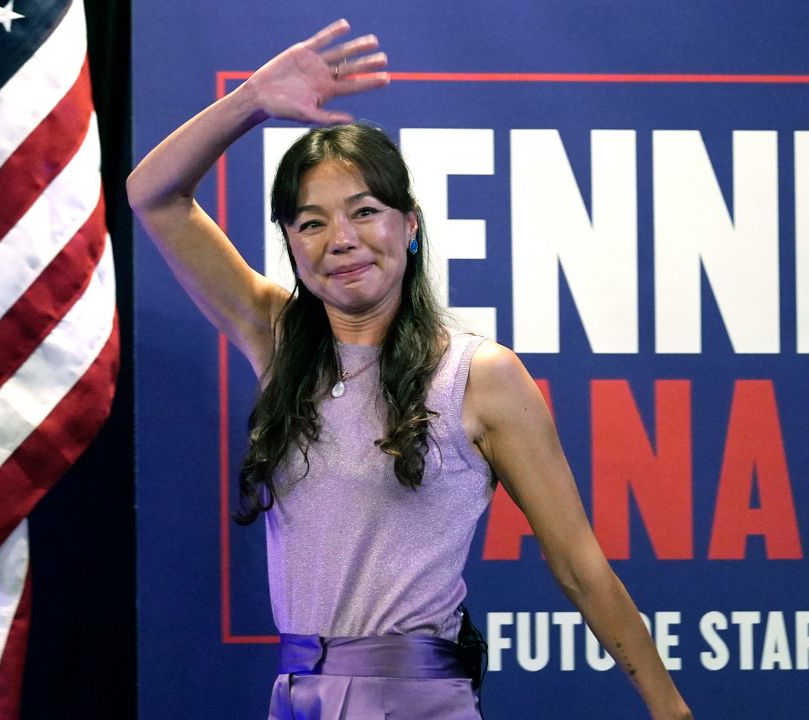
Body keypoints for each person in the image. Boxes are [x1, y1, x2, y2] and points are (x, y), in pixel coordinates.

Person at [128, 18, 693, 720]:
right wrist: (252, 100)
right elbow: (152, 194)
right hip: (297, 699)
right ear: (289, 243)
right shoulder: (275, 335)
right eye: (310, 222)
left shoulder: (479, 375)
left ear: (410, 226)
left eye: (365, 212)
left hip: (418, 702)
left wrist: (670, 711)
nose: (342, 240)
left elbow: (580, 567)